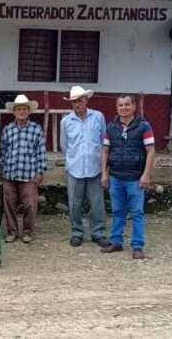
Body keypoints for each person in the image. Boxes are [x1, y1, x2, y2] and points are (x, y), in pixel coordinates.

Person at [100, 95, 156, 260]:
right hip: (116, 177)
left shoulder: (144, 126)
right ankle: (116, 242)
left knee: (137, 212)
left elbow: (151, 151)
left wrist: (146, 175)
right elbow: (105, 151)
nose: (124, 108)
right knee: (118, 211)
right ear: (117, 108)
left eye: (127, 104)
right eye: (120, 105)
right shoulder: (111, 128)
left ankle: (137, 246)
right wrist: (104, 173)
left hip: (135, 178)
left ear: (133, 107)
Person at [59, 86, 110, 248]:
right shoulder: (66, 121)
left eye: (80, 100)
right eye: (74, 101)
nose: (77, 104)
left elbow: (104, 142)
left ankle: (98, 233)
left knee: (97, 203)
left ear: (86, 100)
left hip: (95, 167)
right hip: (74, 168)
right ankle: (77, 233)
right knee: (74, 203)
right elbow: (64, 146)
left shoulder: (98, 117)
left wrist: (104, 167)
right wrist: (72, 160)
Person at [0, 95, 46, 243]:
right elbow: (3, 151)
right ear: (14, 112)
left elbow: (41, 151)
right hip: (10, 174)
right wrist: (3, 167)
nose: (21, 111)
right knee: (9, 205)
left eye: (24, 109)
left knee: (30, 205)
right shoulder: (8, 130)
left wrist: (40, 172)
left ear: (28, 111)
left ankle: (27, 231)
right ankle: (12, 232)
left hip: (28, 174)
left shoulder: (36, 129)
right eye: (18, 109)